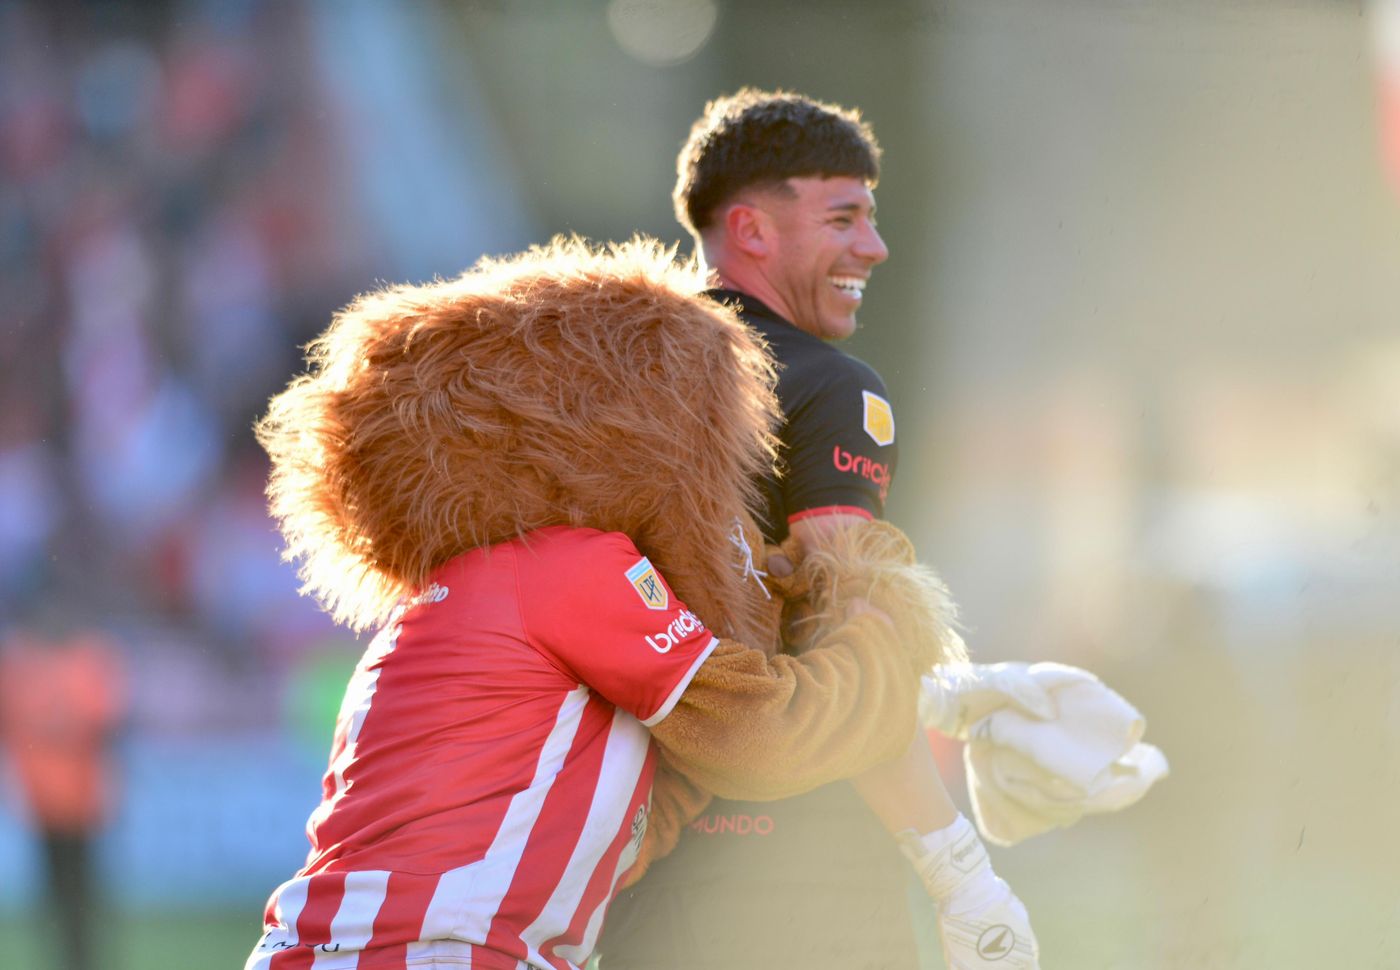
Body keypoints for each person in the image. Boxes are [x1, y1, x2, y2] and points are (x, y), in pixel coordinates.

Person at [241, 238, 965, 970]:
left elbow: (614, 822)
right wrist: (879, 633)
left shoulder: (454, 587)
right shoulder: (568, 567)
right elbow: (763, 737)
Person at [598, 90, 1039, 970]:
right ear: (752, 230)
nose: (872, 247)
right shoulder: (828, 384)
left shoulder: (609, 384)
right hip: (800, 871)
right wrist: (958, 869)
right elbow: (846, 643)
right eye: (844, 217)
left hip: (641, 869)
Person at [0, 605, 127, 970]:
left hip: (82, 801)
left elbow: (103, 722)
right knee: (57, 892)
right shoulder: (27, 666)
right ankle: (68, 958)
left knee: (81, 892)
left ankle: (81, 958)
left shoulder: (83, 660)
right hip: (44, 800)